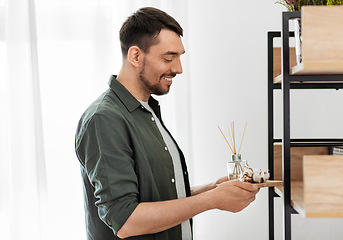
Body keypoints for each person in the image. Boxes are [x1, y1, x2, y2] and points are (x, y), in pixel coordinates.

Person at [75, 7, 259, 240]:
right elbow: (126, 220)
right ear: (135, 56)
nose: (178, 68)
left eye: (180, 57)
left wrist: (212, 189)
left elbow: (154, 197)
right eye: (168, 58)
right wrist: (211, 200)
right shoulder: (104, 119)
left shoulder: (146, 111)